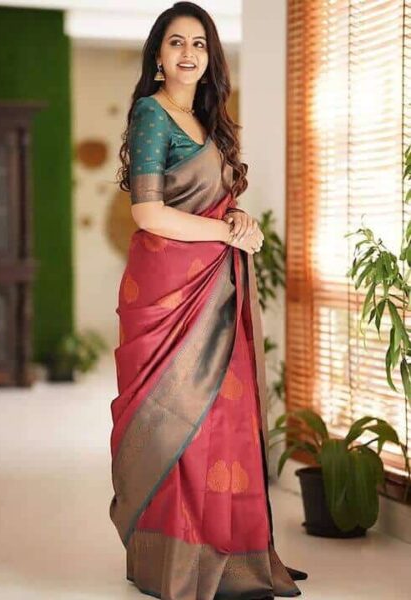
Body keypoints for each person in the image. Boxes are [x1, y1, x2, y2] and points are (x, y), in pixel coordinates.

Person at [109, 2, 308, 598]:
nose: (188, 53)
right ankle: (177, 561)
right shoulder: (152, 113)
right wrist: (225, 231)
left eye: (199, 43)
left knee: (224, 420)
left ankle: (233, 553)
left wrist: (238, 220)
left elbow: (214, 204)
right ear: (158, 55)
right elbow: (148, 212)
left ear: (211, 56)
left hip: (216, 290)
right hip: (169, 294)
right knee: (178, 425)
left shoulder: (209, 121)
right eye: (176, 42)